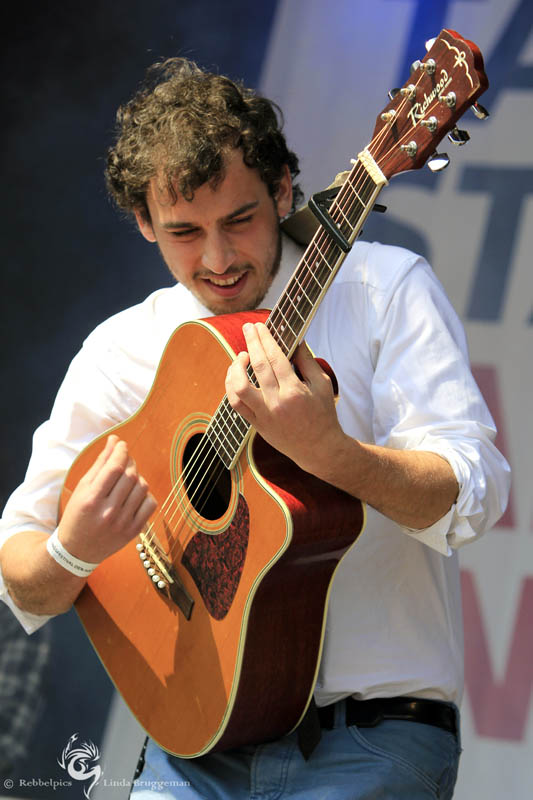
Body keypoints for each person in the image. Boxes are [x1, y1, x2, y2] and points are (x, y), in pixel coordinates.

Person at [0, 58, 510, 799]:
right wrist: (73, 551)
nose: (217, 258)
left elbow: (475, 499)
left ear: (280, 190)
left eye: (239, 219)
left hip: (367, 746)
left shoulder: (382, 289)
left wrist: (330, 453)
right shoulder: (122, 349)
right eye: (183, 231)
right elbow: (21, 574)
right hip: (189, 750)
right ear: (143, 224)